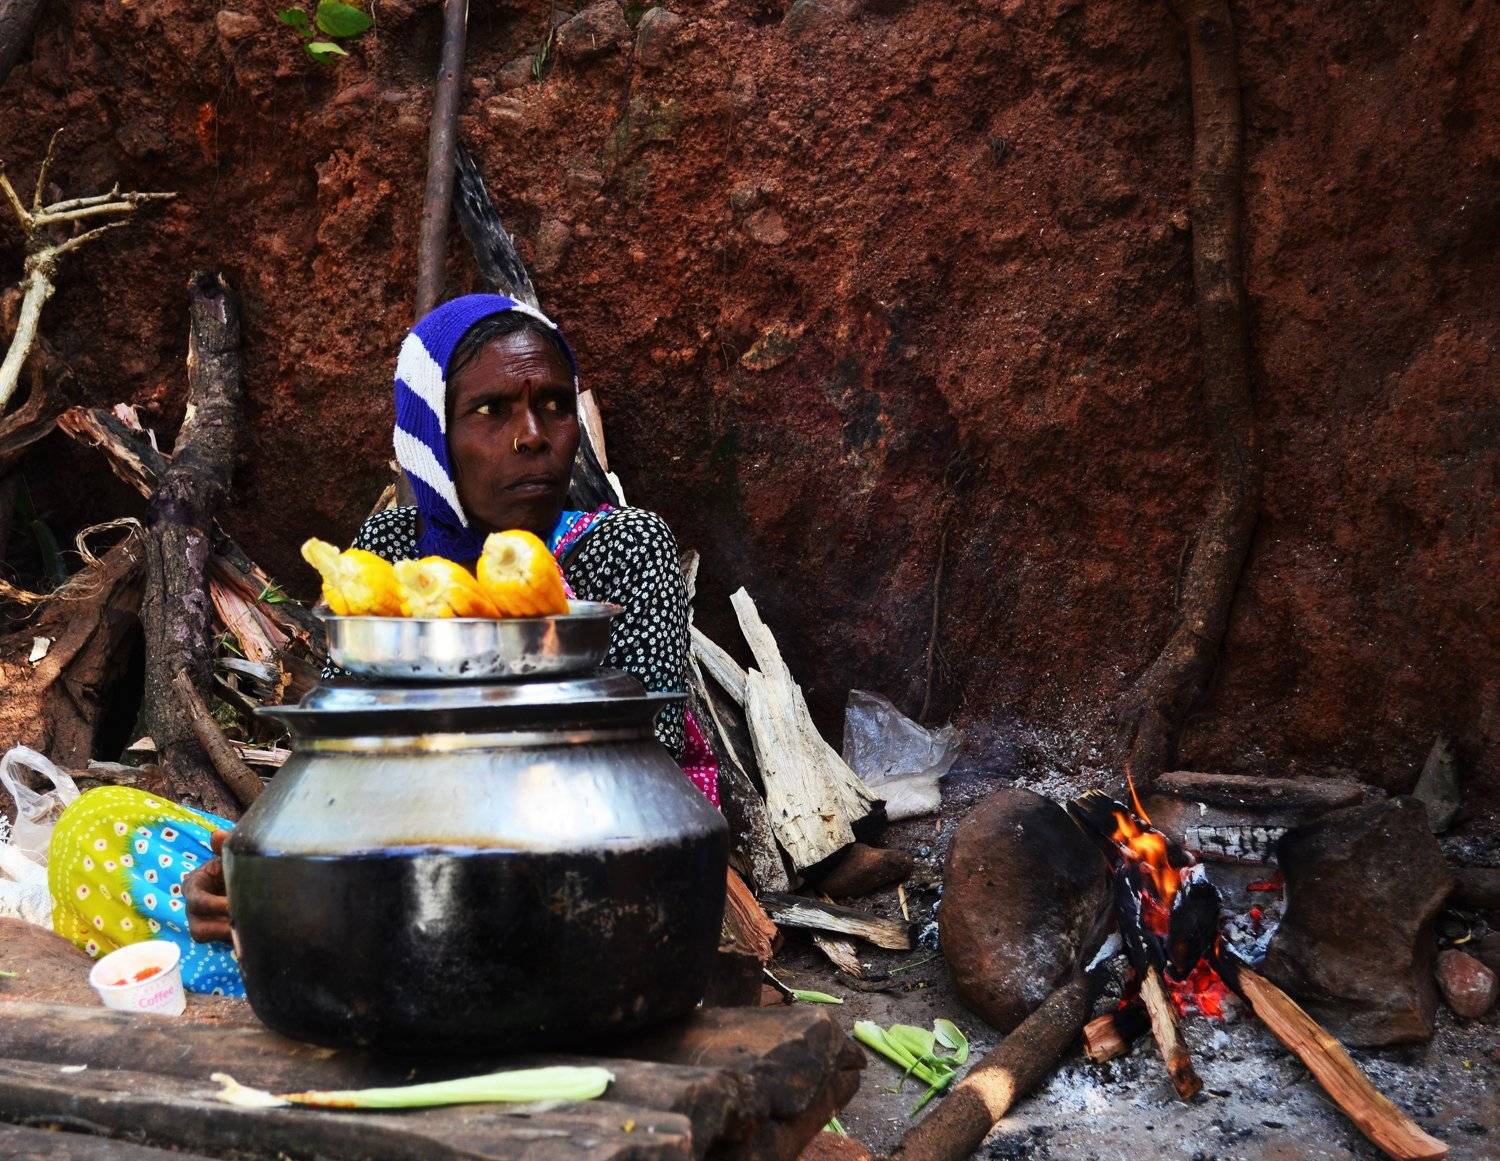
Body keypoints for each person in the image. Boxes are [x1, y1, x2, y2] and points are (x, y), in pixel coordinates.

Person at [48, 294, 717, 993]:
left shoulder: (624, 547)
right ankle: (363, 973)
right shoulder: (392, 550)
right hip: (386, 862)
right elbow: (337, 755)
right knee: (95, 828)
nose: (532, 435)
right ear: (432, 433)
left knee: (453, 930)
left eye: (553, 405)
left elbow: (649, 766)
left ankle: (338, 975)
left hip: (565, 878)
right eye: (492, 409)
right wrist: (261, 860)